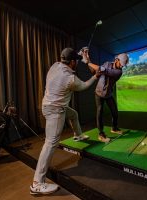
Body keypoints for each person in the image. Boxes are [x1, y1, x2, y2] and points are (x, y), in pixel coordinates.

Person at [30, 47, 99, 195]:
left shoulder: (55, 65)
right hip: (56, 111)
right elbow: (85, 85)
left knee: (73, 114)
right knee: (50, 143)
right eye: (76, 61)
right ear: (73, 62)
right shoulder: (70, 79)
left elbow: (71, 64)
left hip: (46, 105)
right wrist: (96, 76)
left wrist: (81, 56)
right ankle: (37, 183)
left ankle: (78, 135)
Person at [81, 48, 129, 143]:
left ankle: (114, 128)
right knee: (100, 112)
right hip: (99, 93)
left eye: (123, 65)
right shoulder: (107, 63)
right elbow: (95, 72)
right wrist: (88, 60)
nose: (122, 66)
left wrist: (87, 62)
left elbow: (103, 70)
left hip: (108, 94)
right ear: (116, 60)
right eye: (121, 64)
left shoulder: (119, 72)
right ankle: (101, 134)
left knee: (115, 112)